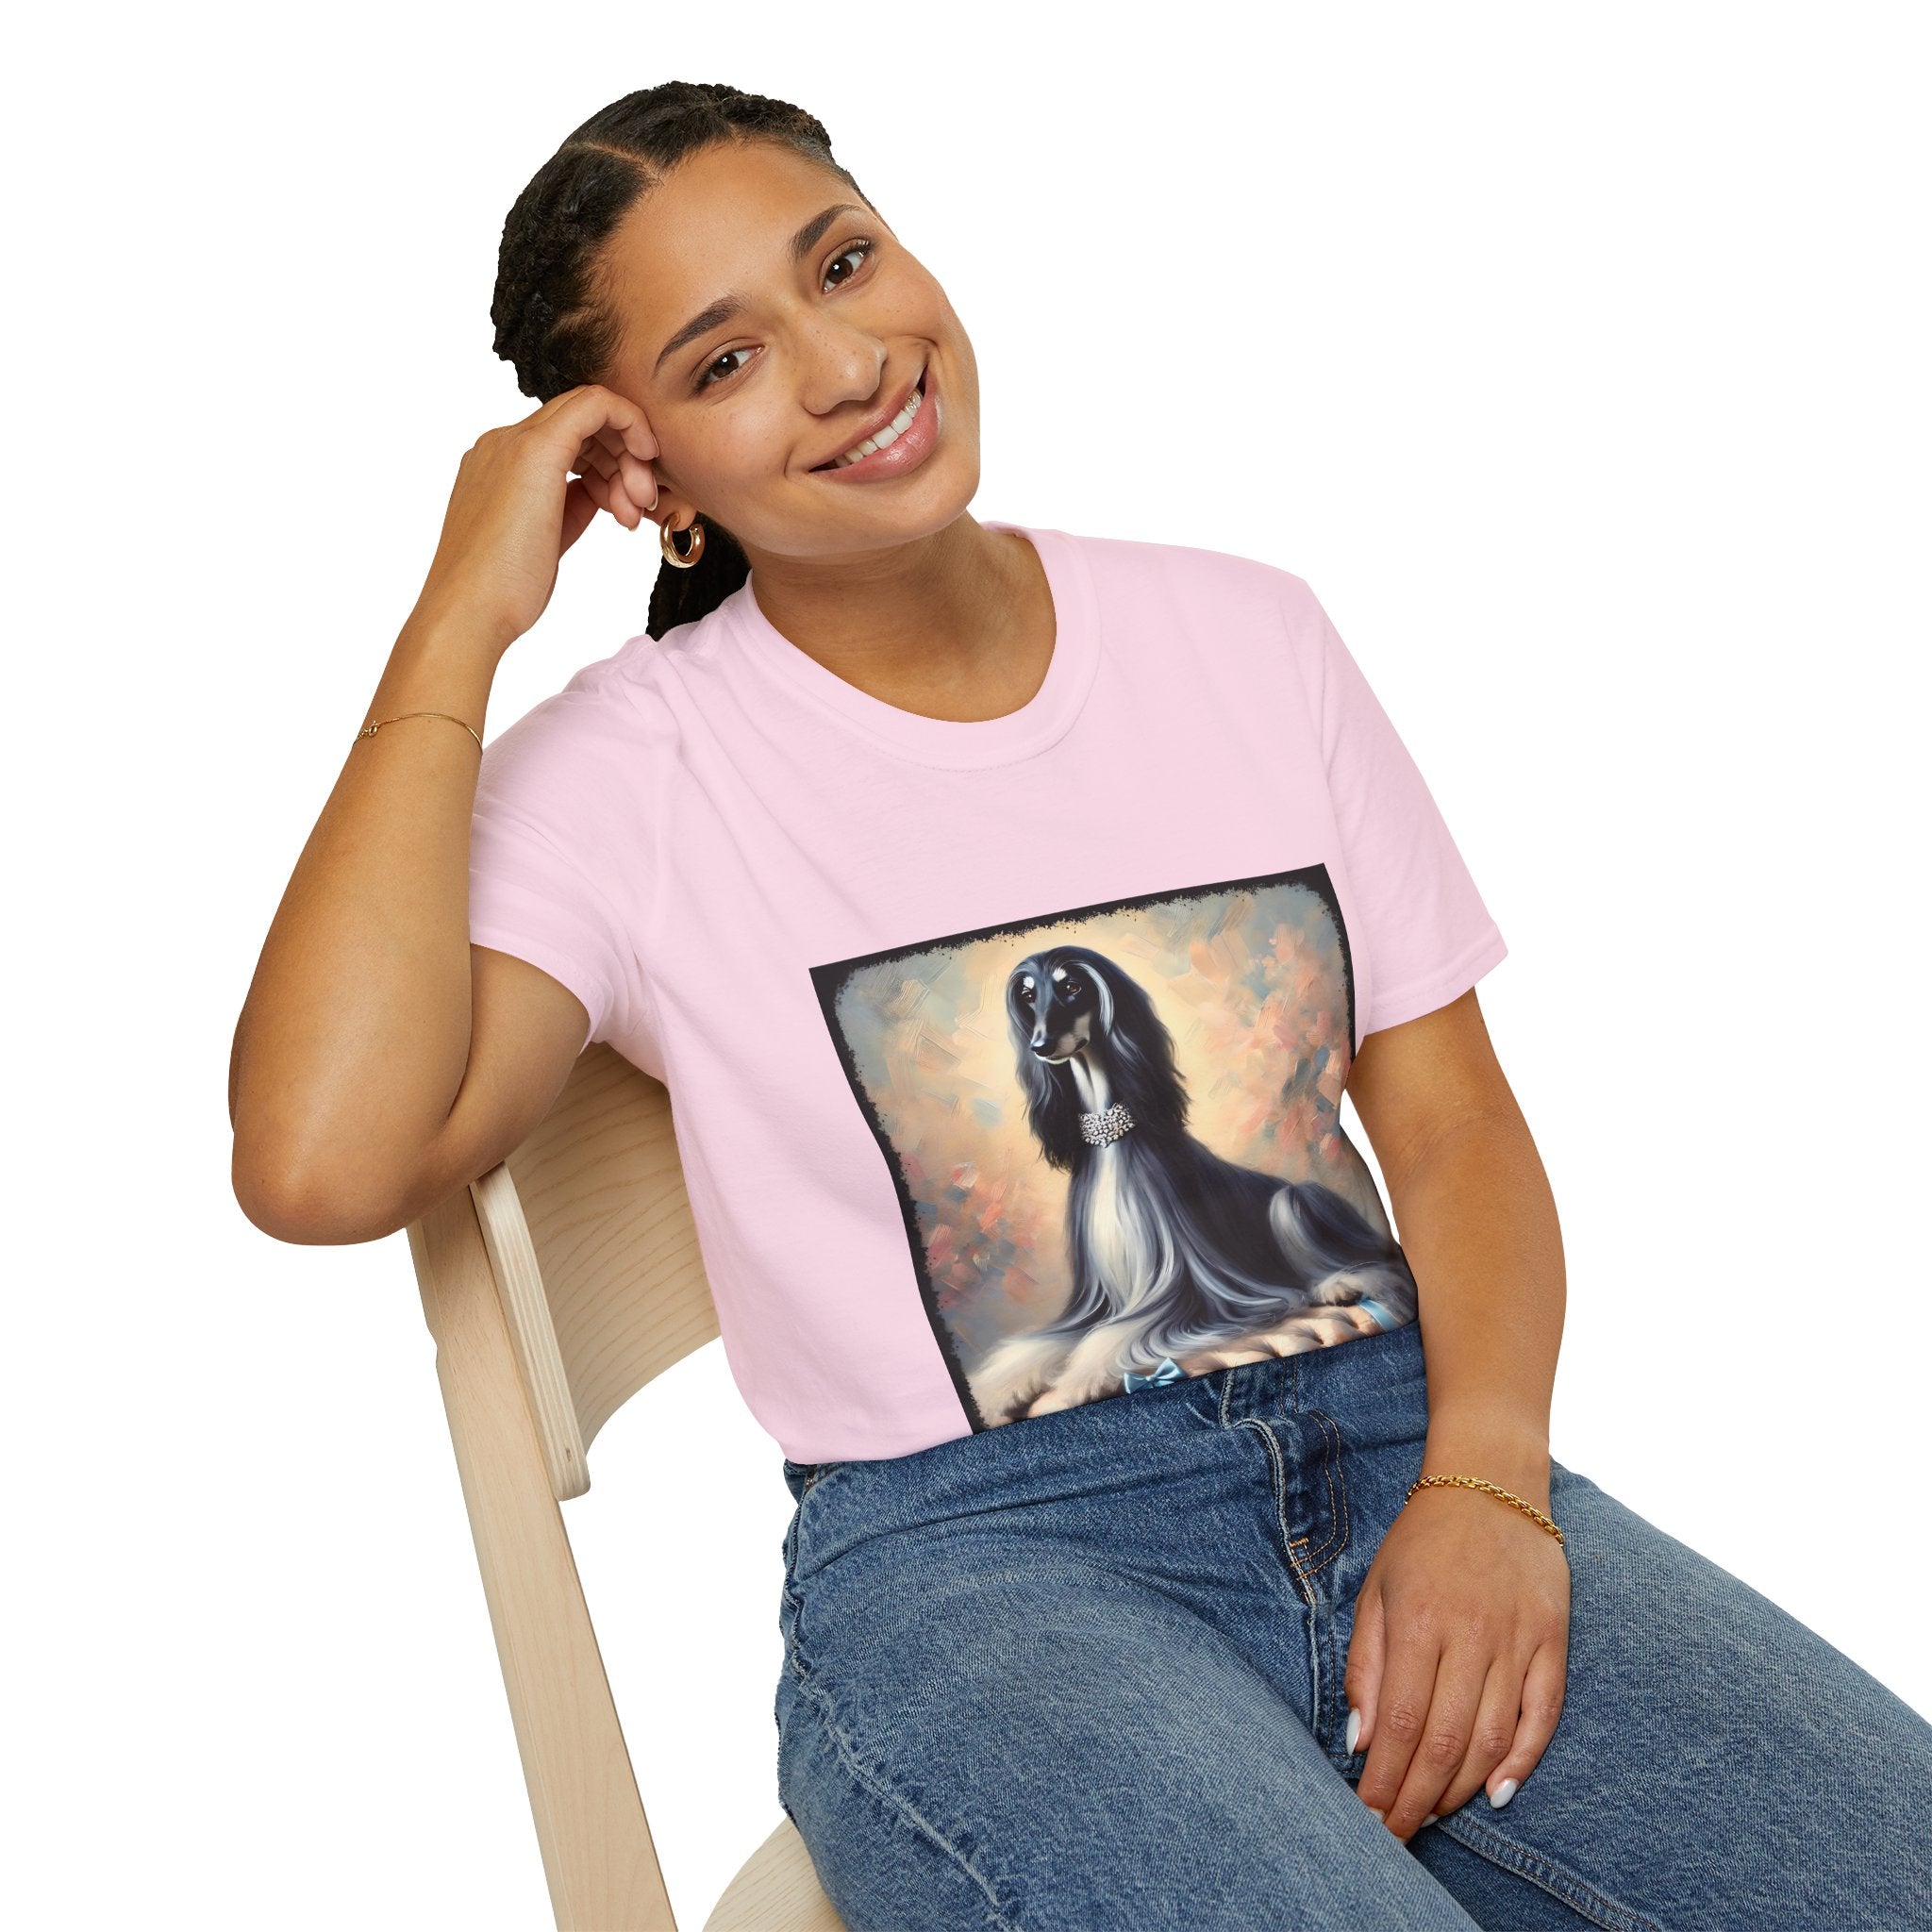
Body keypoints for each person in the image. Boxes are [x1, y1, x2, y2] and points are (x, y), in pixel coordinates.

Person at [228, 80, 1932, 1932]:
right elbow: (320, 1161)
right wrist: (458, 618)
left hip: (1406, 1445)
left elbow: (1449, 1125)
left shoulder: (1247, 636)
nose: (846, 365)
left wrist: (1490, 1486)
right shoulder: (632, 775)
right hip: (987, 1569)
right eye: (726, 361)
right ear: (650, 481)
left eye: (843, 264)